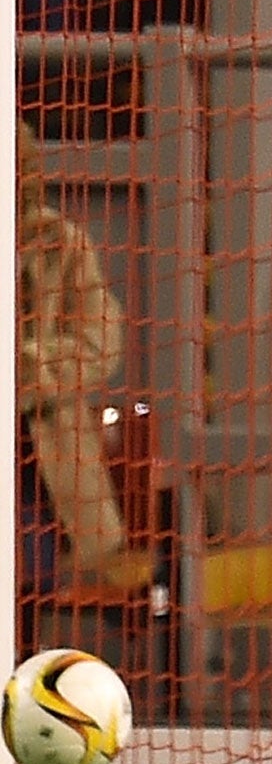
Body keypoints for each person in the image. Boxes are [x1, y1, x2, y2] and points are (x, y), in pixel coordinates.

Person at [16, 117, 132, 594]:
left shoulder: (61, 243)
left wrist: (27, 365)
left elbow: (100, 344)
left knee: (29, 586)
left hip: (41, 454)